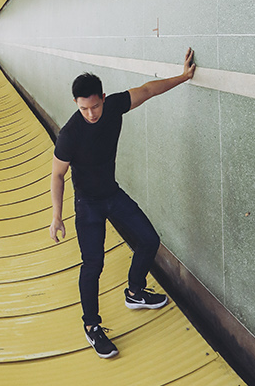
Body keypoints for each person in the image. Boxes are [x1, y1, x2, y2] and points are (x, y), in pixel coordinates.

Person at [49, 48, 196, 359]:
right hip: (88, 205)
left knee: (149, 240)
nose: (91, 114)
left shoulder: (114, 106)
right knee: (93, 265)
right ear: (76, 104)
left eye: (95, 106)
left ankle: (135, 291)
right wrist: (57, 216)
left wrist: (183, 77)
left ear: (103, 98)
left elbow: (148, 90)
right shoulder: (69, 135)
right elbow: (58, 175)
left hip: (112, 195)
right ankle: (92, 326)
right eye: (84, 108)